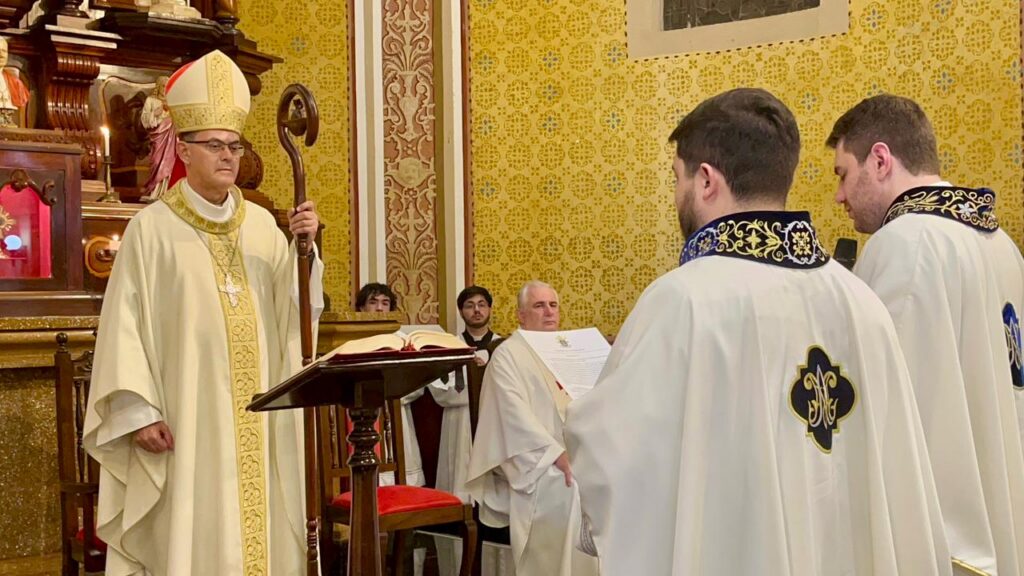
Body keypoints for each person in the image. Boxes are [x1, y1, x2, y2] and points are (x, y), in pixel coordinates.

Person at [564, 88, 950, 575]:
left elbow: (614, 461)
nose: (677, 194)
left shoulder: (683, 302)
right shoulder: (860, 300)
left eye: (678, 178)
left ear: (707, 180)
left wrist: (574, 422)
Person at [83, 50, 324, 576]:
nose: (228, 156)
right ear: (183, 149)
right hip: (186, 418)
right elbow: (123, 327)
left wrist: (304, 252)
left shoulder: (263, 227)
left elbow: (292, 316)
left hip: (260, 417)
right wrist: (138, 411)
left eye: (235, 145)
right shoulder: (151, 231)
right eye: (214, 145)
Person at [827, 93, 1024, 575]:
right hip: (1004, 511)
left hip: (944, 543)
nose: (839, 196)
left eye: (843, 174)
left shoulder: (907, 243)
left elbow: (891, 414)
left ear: (880, 160)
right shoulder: (999, 242)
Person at [467, 280, 599, 576]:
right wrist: (556, 454)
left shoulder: (570, 352)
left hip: (577, 453)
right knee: (572, 488)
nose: (549, 312)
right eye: (539, 306)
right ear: (521, 315)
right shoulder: (508, 355)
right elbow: (512, 417)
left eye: (553, 305)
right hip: (532, 461)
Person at [355, 281, 426, 487]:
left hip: (396, 413)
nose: (379, 308)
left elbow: (417, 382)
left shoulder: (403, 341)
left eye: (385, 303)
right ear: (361, 308)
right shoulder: (352, 339)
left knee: (401, 474)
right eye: (373, 302)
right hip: (360, 414)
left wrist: (389, 393)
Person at [140, 76, 177, 202]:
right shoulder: (151, 100)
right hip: (158, 136)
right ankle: (154, 190)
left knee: (171, 163)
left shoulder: (173, 101)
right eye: (163, 86)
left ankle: (166, 191)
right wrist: (156, 113)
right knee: (156, 161)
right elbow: (145, 120)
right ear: (158, 87)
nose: (165, 89)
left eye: (167, 86)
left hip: (171, 138)